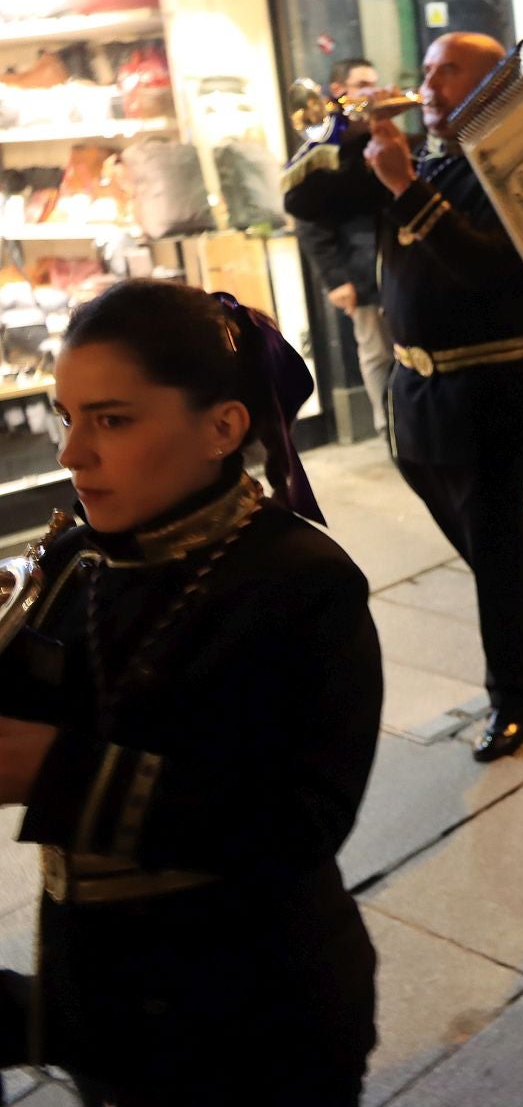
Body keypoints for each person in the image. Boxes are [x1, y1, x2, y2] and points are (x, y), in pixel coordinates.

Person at [0, 279, 379, 1103]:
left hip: (260, 1024)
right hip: (103, 1006)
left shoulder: (302, 586)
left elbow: (296, 822)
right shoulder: (76, 558)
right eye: (68, 417)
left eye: (111, 419)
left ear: (223, 427)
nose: (71, 454)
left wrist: (54, 770)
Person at [283, 31, 523, 763]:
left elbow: (492, 274)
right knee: (460, 517)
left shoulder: (519, 167)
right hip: (418, 382)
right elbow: (300, 194)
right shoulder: (422, 160)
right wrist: (344, 131)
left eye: (450, 71)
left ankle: (514, 693)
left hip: (490, 382)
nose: (430, 84)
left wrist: (404, 189)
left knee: (491, 532)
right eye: (425, 70)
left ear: (495, 83)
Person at [291, 56, 394, 440]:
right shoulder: (326, 145)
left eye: (374, 82)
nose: (371, 90)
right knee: (376, 352)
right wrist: (335, 278)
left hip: (391, 260)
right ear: (339, 91)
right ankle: (389, 429)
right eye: (362, 83)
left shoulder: (374, 134)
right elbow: (310, 221)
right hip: (360, 267)